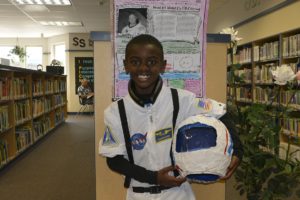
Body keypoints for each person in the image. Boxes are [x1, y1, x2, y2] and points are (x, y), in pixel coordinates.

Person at [99, 34, 243, 200]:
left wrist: (238, 151)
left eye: (152, 62)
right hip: (137, 195)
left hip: (178, 194)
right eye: (135, 61)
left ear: (163, 66)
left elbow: (220, 112)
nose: (144, 68)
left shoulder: (182, 100)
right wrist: (153, 178)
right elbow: (114, 160)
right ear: (125, 65)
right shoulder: (116, 111)